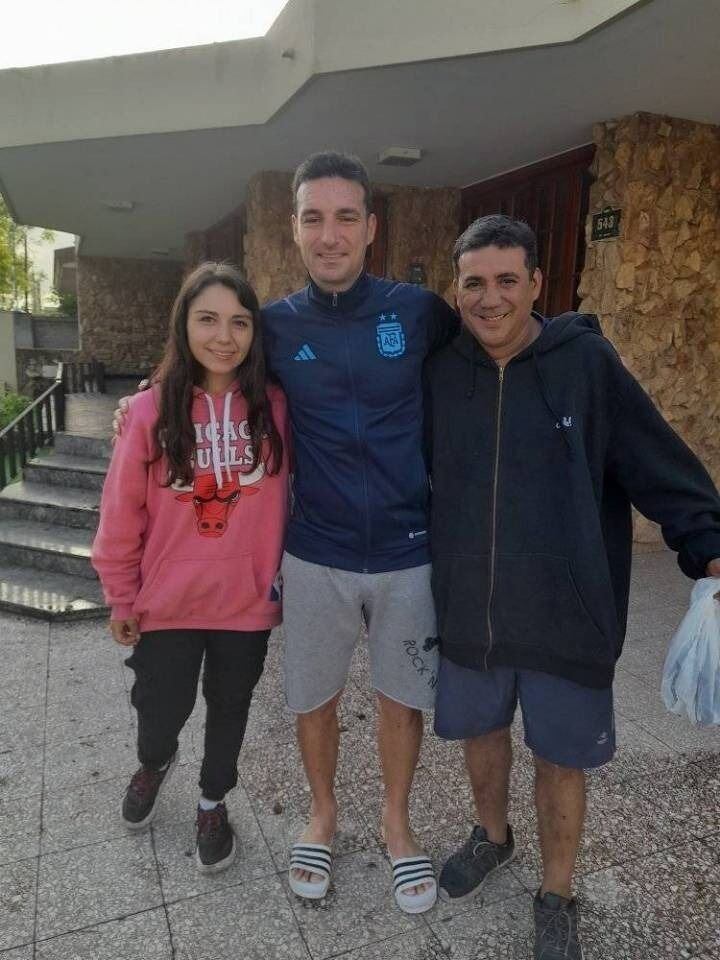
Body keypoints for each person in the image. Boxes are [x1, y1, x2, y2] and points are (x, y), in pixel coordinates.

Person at [113, 152, 458, 912]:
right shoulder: (271, 328)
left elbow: (483, 363)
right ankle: (322, 817)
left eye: (344, 217)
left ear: (371, 227)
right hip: (314, 552)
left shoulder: (419, 311)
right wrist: (141, 398)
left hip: (408, 552)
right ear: (294, 229)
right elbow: (204, 367)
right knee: (313, 698)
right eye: (312, 218)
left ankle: (399, 827)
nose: (329, 234)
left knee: (402, 699)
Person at [425, 214, 720, 958]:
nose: (488, 299)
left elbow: (658, 461)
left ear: (534, 284)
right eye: (473, 284)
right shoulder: (442, 370)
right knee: (482, 735)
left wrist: (710, 545)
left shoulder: (584, 364)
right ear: (455, 290)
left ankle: (557, 889)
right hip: (470, 610)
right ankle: (491, 837)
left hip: (566, 613)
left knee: (561, 757)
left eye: (504, 281)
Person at [93, 263, 289, 874]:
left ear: (255, 332)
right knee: (159, 709)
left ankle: (212, 801)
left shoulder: (279, 408)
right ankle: (153, 763)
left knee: (231, 709)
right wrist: (121, 598)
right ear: (185, 324)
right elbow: (120, 513)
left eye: (239, 322)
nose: (224, 336)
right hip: (168, 603)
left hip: (245, 603)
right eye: (208, 319)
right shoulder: (151, 413)